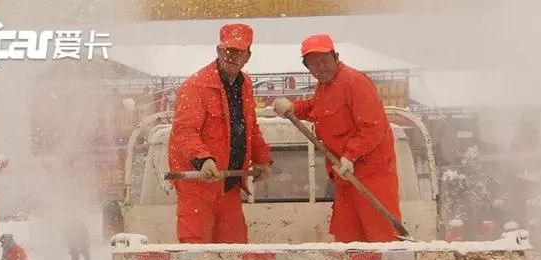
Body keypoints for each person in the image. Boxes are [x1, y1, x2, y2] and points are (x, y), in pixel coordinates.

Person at [272, 34, 401, 243]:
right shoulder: (324, 87)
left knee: (381, 240)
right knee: (348, 243)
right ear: (307, 68)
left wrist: (350, 155)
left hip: (371, 178)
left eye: (324, 60)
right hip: (344, 177)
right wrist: (293, 107)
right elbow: (316, 107)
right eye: (313, 64)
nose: (320, 67)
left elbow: (373, 128)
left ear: (336, 57)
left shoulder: (355, 82)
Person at [168, 23, 273, 243]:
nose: (232, 56)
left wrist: (262, 159)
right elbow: (184, 131)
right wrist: (203, 159)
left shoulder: (246, 85)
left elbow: (250, 128)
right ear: (218, 50)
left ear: (248, 56)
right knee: (195, 251)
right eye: (227, 50)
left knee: (234, 252)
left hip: (229, 186)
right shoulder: (196, 86)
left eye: (238, 52)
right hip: (197, 187)